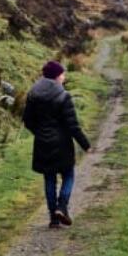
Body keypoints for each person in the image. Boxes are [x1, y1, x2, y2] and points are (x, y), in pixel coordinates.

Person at [22, 61, 91, 229]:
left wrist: (39, 133)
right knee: (68, 175)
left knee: (49, 178)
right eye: (62, 74)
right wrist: (86, 145)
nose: (64, 77)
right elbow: (73, 126)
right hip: (62, 144)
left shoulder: (33, 94)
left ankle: (53, 218)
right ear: (55, 76)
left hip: (42, 143)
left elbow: (27, 121)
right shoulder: (64, 96)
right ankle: (62, 206)